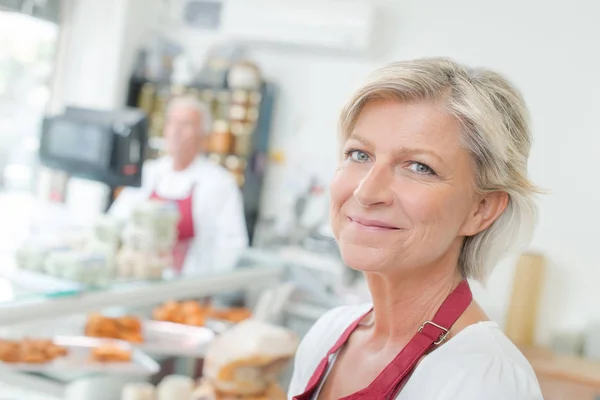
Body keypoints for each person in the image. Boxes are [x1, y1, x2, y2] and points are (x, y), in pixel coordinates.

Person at [288, 58, 543, 400]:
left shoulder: (484, 381)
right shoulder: (329, 337)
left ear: (480, 210)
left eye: (419, 167)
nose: (366, 191)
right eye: (360, 154)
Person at [110, 95, 248, 274]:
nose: (176, 131)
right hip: (138, 280)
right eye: (171, 122)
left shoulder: (219, 182)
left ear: (203, 136)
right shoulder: (148, 172)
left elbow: (233, 245)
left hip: (189, 287)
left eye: (186, 125)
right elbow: (115, 221)